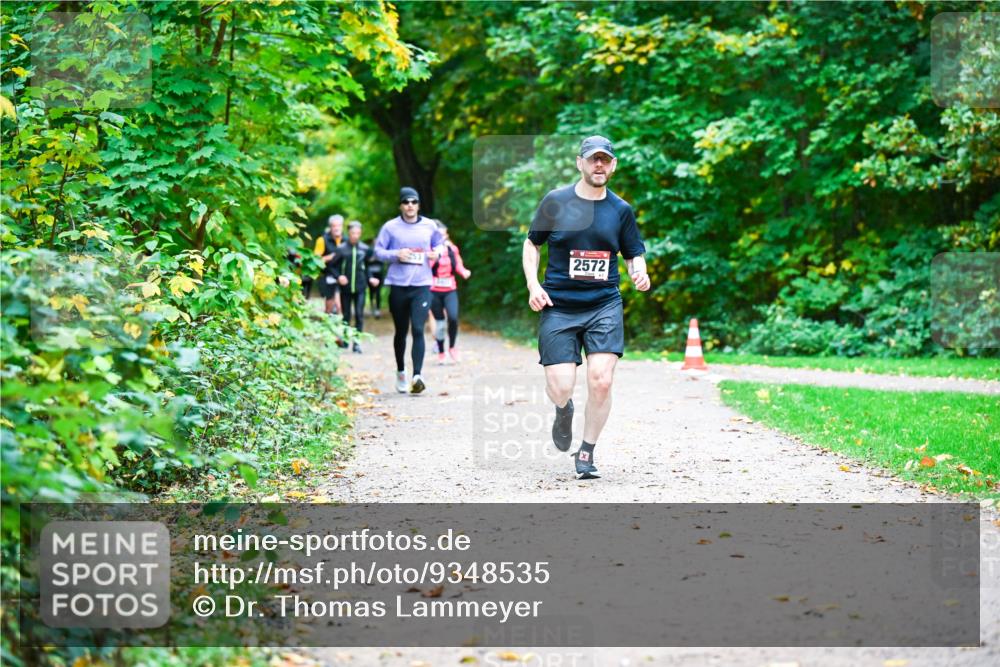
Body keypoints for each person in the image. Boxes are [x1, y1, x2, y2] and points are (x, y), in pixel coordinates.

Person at [522, 136, 651, 480]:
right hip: (559, 305)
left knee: (602, 380)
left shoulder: (620, 210)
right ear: (579, 163)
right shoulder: (556, 202)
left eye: (605, 160)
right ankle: (563, 410)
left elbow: (633, 252)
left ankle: (586, 452)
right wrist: (534, 285)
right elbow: (532, 244)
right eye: (592, 159)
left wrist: (640, 272)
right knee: (561, 385)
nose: (599, 165)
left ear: (613, 165)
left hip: (603, 305)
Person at [374, 187, 444, 394]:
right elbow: (378, 251)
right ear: (401, 206)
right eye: (406, 202)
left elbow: (440, 245)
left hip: (422, 284)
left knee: (418, 329)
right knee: (401, 332)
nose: (410, 205)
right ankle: (401, 372)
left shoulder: (429, 226)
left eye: (414, 202)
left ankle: (417, 376)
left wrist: (436, 254)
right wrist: (397, 254)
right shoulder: (390, 227)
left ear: (419, 205)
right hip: (398, 285)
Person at [333, 221, 379, 353]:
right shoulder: (341, 249)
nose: (355, 236)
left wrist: (370, 278)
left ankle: (357, 343)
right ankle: (346, 340)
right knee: (346, 315)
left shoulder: (365, 249)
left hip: (360, 287)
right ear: (349, 233)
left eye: (358, 233)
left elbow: (367, 267)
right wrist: (339, 277)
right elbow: (332, 266)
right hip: (346, 288)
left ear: (360, 234)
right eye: (353, 233)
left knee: (359, 314)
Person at [429, 220, 472, 364]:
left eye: (443, 235)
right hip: (433, 290)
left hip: (450, 289)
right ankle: (441, 352)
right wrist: (435, 255)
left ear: (446, 234)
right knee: (440, 323)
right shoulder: (430, 250)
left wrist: (463, 271)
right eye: (438, 236)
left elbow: (458, 264)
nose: (441, 238)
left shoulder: (453, 249)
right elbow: (426, 267)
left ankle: (452, 347)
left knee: (453, 317)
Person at [315, 214, 344, 317]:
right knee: (330, 305)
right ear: (330, 227)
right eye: (334, 226)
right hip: (328, 275)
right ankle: (328, 320)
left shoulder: (347, 240)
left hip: (342, 276)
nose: (336, 228)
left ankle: (341, 324)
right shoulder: (322, 240)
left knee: (340, 305)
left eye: (339, 225)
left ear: (342, 226)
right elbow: (315, 260)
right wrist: (329, 257)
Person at [367, 248, 387, 318]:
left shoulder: (381, 251)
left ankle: (377, 309)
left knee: (378, 293)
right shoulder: (369, 250)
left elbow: (383, 262)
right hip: (371, 275)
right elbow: (367, 262)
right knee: (371, 292)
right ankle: (372, 306)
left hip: (379, 276)